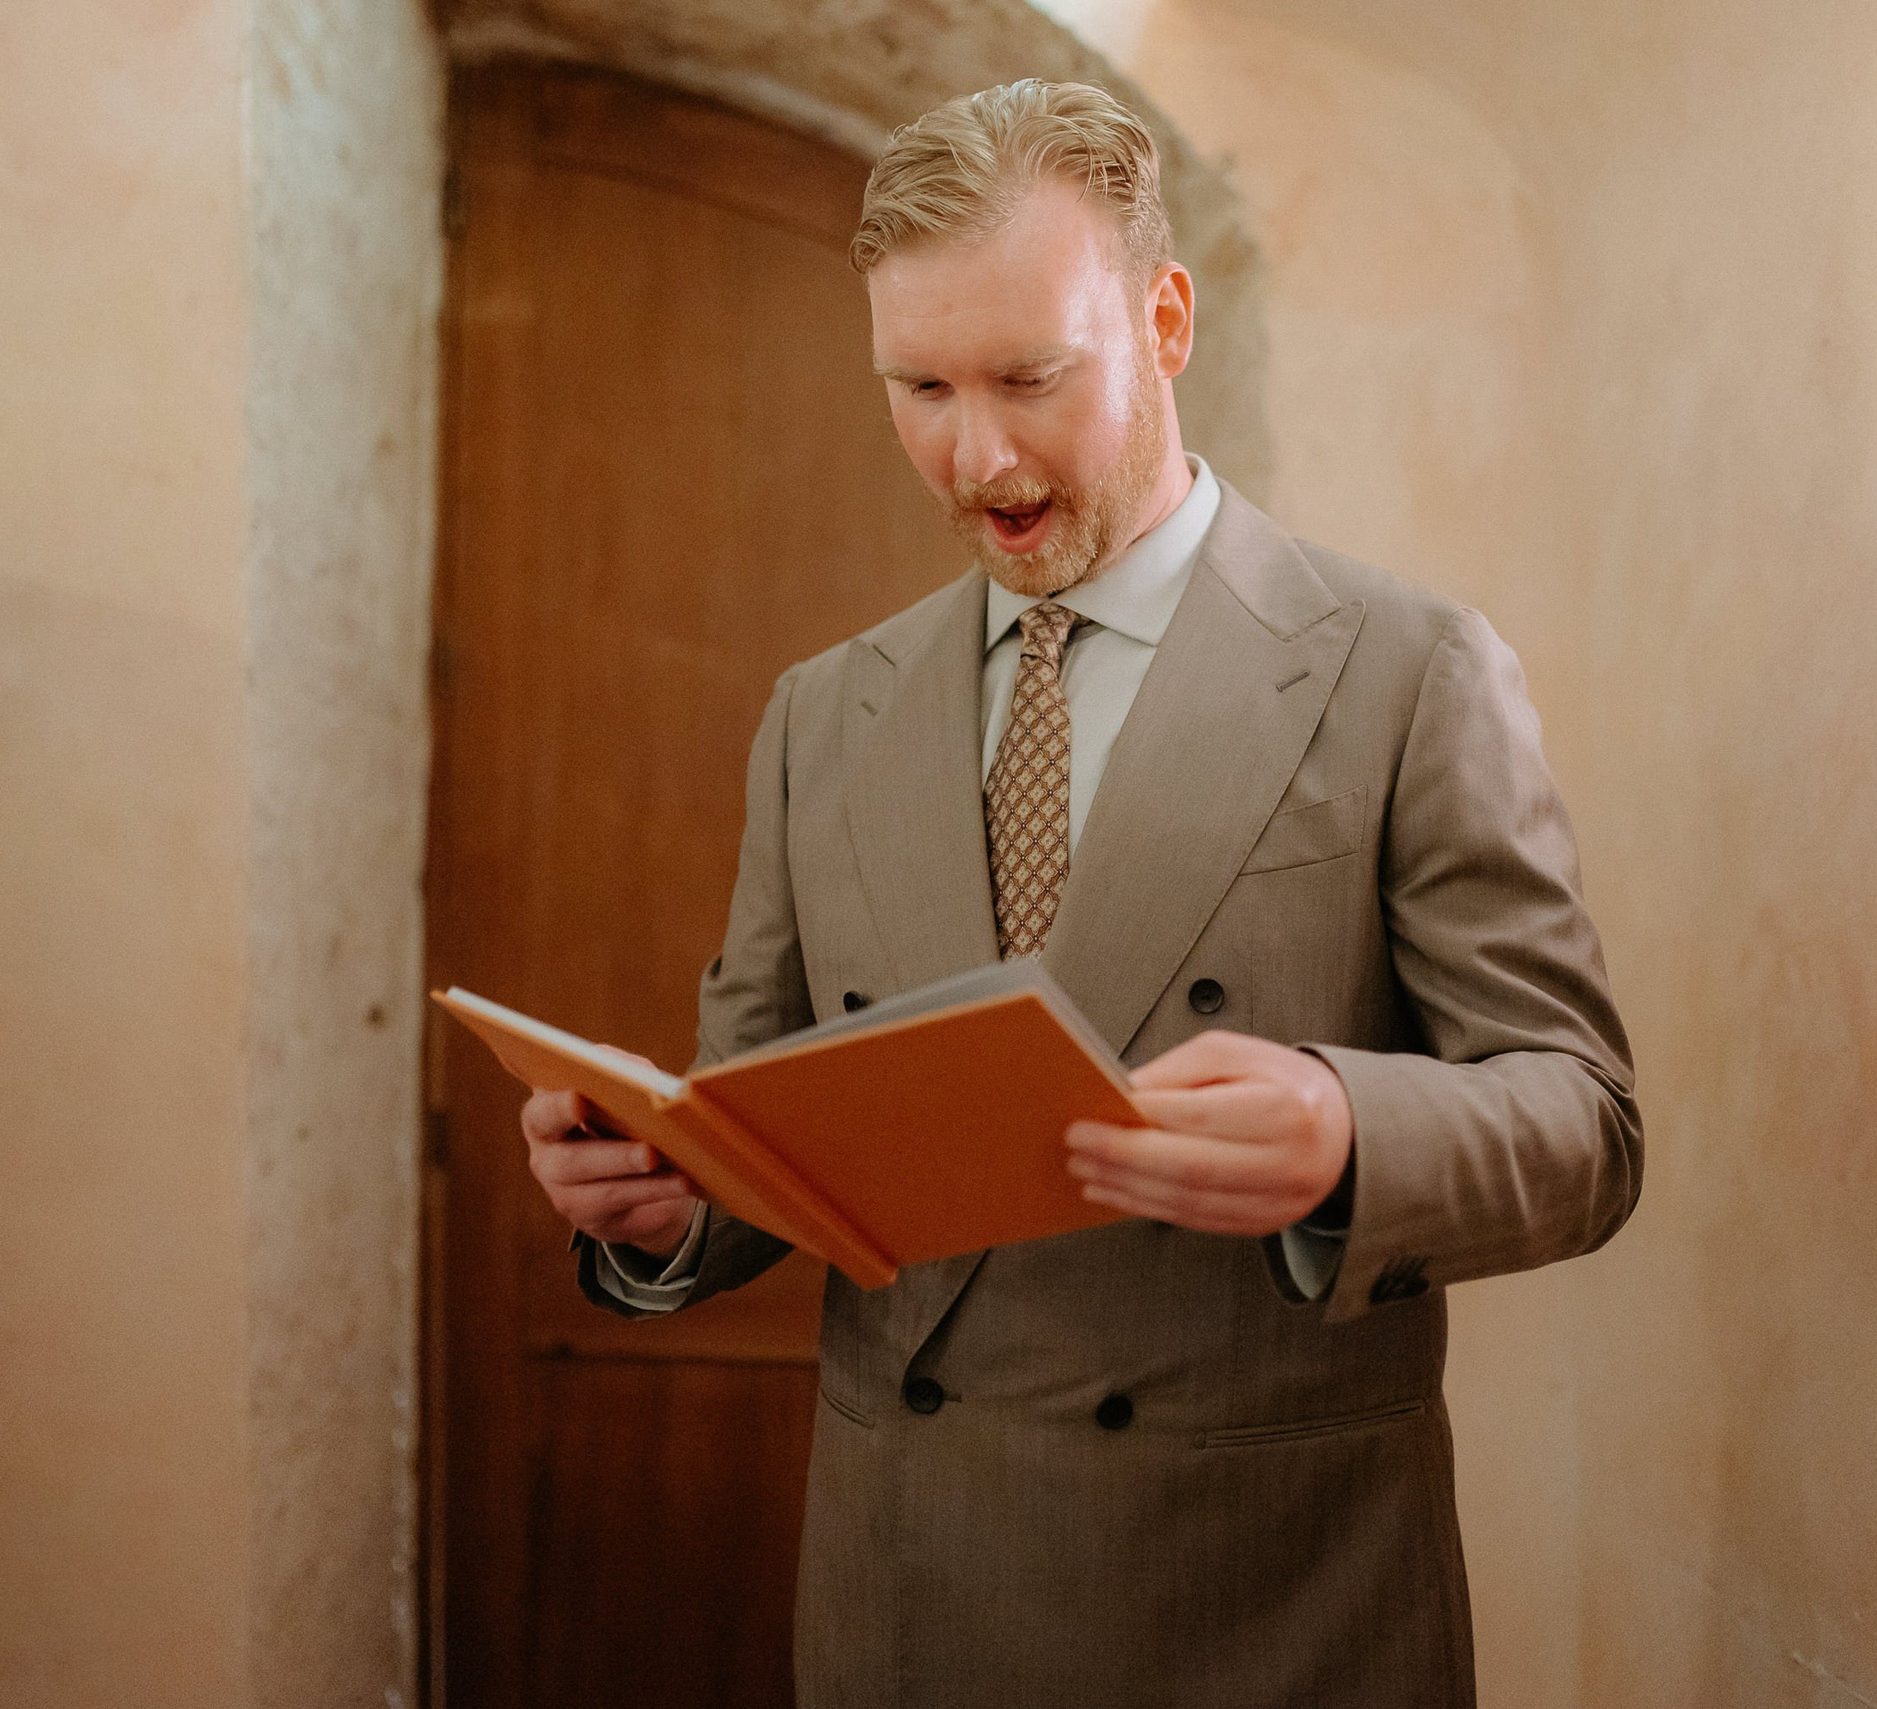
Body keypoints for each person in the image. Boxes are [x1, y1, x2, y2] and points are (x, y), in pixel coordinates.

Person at [518, 78, 1641, 1709]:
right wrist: (672, 1206)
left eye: (1032, 378)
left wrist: (1346, 1130)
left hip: (1270, 1610)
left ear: (1164, 318)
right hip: (907, 1612)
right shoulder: (818, 715)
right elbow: (761, 1122)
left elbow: (1588, 1121)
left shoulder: (1407, 671)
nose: (975, 454)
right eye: (916, 386)